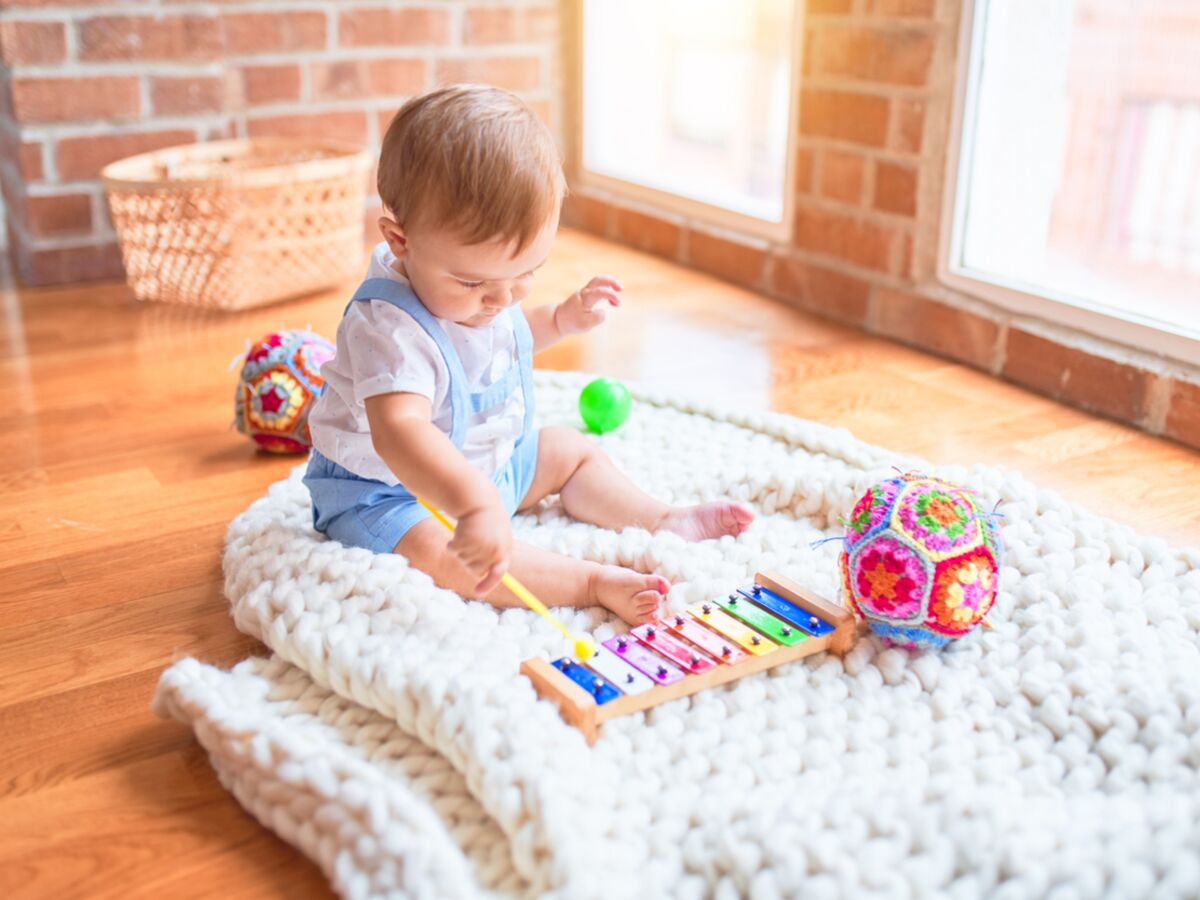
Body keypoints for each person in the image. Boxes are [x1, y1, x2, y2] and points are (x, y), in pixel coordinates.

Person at [304, 84, 754, 626]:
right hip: (387, 497)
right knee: (446, 556)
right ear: (401, 241)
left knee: (567, 448)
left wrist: (561, 318)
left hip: (486, 471)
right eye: (474, 281)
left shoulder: (489, 296)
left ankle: (661, 517)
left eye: (527, 274)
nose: (501, 299)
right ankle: (589, 580)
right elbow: (400, 429)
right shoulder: (387, 329)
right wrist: (473, 505)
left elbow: (506, 338)